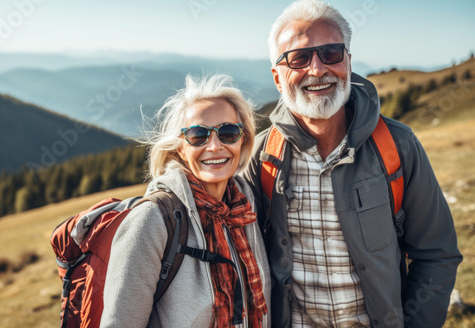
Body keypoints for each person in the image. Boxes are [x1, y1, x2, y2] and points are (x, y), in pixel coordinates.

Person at [242, 1, 462, 327]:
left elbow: (436, 253)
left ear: (347, 61)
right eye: (298, 58)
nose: (317, 69)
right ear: (278, 77)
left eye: (331, 53)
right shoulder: (260, 157)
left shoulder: (398, 145)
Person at [100, 74, 270, 328]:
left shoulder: (247, 210)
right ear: (180, 147)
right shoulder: (151, 221)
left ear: (243, 139)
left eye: (228, 132)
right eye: (198, 135)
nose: (214, 146)